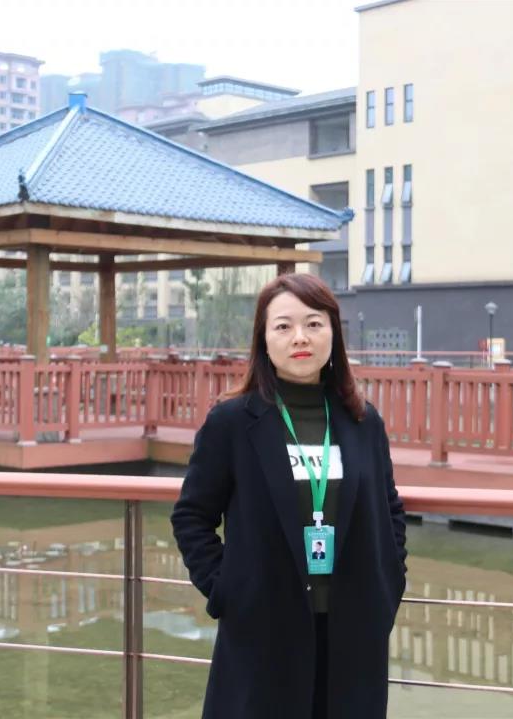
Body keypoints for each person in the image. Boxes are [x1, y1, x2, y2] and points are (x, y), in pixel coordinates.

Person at [171, 272, 407, 719]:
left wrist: (389, 583)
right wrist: (227, 590)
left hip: (353, 630)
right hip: (264, 628)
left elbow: (390, 509)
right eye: (283, 326)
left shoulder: (362, 421)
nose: (300, 337)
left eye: (314, 324)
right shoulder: (232, 422)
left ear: (333, 333)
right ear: (264, 339)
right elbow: (192, 517)